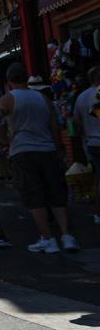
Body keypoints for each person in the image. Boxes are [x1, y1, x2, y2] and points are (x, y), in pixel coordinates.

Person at [0, 63, 79, 253]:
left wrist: (5, 140)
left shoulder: (8, 99)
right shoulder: (42, 98)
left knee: (34, 196)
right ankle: (67, 236)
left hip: (23, 151)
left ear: (9, 81)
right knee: (56, 195)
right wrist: (56, 148)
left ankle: (47, 238)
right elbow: (54, 126)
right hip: (47, 150)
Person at [72, 66, 100, 225]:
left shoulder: (82, 97)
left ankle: (97, 212)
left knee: (97, 178)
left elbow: (76, 123)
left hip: (91, 142)